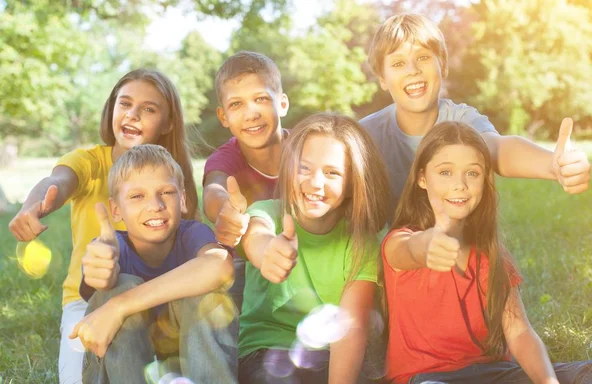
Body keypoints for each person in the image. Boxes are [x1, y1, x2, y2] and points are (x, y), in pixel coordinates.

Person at [7, 68, 199, 384]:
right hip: (86, 301)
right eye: (124, 104)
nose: (133, 115)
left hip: (156, 297)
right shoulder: (89, 162)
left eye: (148, 109)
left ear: (168, 123)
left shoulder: (174, 179)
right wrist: (35, 204)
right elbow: (57, 181)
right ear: (111, 110)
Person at [382, 121, 592, 384]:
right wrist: (428, 242)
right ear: (421, 178)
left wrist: (548, 382)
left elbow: (519, 332)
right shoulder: (400, 241)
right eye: (445, 172)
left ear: (484, 180)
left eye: (472, 173)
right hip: (426, 378)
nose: (460, 184)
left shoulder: (493, 256)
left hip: (495, 376)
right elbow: (408, 250)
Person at [361, 13, 591, 214]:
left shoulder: (462, 121)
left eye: (423, 57)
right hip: (402, 253)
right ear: (382, 78)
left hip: (465, 251)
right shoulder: (365, 136)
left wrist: (552, 164)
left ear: (443, 65)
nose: (413, 70)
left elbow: (499, 149)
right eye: (398, 64)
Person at [238, 112, 389, 384]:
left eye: (332, 173)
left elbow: (349, 332)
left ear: (353, 184)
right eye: (304, 168)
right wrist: (267, 252)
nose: (315, 183)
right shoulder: (267, 213)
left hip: (331, 356)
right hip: (267, 353)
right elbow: (255, 236)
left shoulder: (361, 242)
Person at [69, 144, 237, 384]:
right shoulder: (109, 249)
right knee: (119, 284)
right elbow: (99, 272)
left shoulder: (193, 235)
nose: (155, 205)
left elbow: (219, 266)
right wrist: (101, 276)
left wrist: (121, 306)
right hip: (123, 371)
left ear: (183, 200)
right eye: (137, 196)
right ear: (115, 209)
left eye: (166, 192)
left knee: (203, 291)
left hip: (187, 368)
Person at [202, 51, 290, 311]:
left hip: (303, 256)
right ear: (223, 117)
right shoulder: (225, 159)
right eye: (236, 104)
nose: (250, 114)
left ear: (282, 104)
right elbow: (214, 190)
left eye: (261, 98)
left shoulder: (305, 150)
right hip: (249, 266)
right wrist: (225, 209)